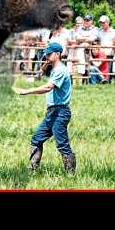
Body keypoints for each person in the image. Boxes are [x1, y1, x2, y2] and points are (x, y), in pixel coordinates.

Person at [13, 42, 76, 174]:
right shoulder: (54, 69)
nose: (46, 56)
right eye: (46, 54)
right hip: (52, 113)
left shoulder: (60, 70)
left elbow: (48, 87)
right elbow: (40, 73)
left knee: (62, 144)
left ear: (58, 54)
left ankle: (70, 175)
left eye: (49, 53)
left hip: (60, 112)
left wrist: (27, 91)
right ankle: (32, 170)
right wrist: (47, 63)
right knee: (37, 139)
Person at [74, 15, 99, 84]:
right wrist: (87, 38)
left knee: (90, 68)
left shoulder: (95, 29)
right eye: (85, 20)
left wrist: (83, 38)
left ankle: (92, 82)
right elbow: (77, 38)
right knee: (80, 64)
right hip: (81, 51)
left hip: (91, 52)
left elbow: (93, 38)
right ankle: (79, 81)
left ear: (91, 21)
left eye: (88, 20)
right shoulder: (80, 29)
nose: (86, 22)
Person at [97, 15, 115, 82]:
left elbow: (114, 42)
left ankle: (108, 81)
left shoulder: (113, 31)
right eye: (101, 22)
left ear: (108, 22)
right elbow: (98, 41)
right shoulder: (99, 31)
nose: (102, 24)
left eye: (103, 22)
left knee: (109, 70)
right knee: (101, 69)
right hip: (101, 54)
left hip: (109, 54)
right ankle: (101, 81)